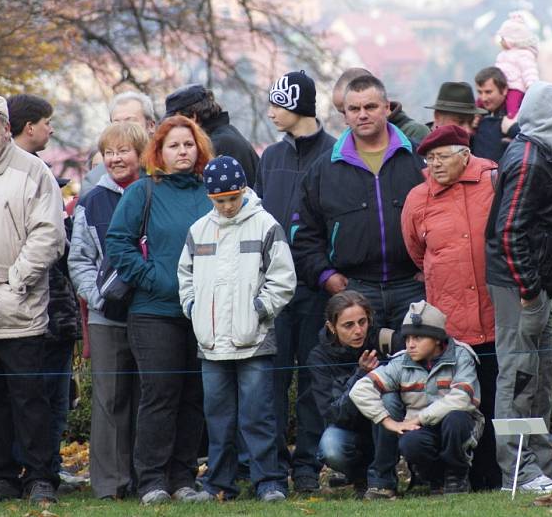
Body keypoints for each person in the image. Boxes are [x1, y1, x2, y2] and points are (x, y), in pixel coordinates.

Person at [105, 115, 213, 504]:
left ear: (198, 148)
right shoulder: (142, 192)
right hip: (154, 311)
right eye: (174, 145)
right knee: (161, 393)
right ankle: (151, 480)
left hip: (202, 313)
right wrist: (154, 278)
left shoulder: (209, 192)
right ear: (159, 152)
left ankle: (184, 478)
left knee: (193, 394)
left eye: (188, 144)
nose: (182, 151)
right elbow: (119, 243)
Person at [0, 93, 65, 504]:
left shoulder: (33, 172)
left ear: (5, 127)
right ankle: (0, 478)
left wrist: (17, 279)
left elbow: (49, 235)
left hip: (17, 308)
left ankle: (41, 477)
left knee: (30, 399)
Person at [178, 156, 295, 502]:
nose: (228, 206)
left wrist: (260, 309)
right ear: (210, 198)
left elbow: (283, 277)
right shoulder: (199, 230)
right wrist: (193, 308)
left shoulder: (265, 225)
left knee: (258, 416)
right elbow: (185, 276)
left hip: (253, 339)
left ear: (243, 190)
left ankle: (268, 481)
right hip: (211, 343)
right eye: (220, 200)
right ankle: (219, 484)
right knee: (218, 419)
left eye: (233, 197)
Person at [485, 82, 552, 494]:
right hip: (520, 288)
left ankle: (542, 465)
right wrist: (528, 289)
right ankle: (518, 471)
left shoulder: (538, 152)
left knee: (539, 377)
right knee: (519, 378)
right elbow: (508, 231)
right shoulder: (529, 159)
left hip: (532, 285)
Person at [401, 125, 499, 490]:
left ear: (464, 154)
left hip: (493, 316)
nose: (434, 165)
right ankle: (450, 475)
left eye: (442, 157)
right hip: (450, 327)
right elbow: (415, 250)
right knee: (453, 407)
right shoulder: (418, 198)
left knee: (492, 399)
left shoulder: (491, 181)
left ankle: (493, 475)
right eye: (429, 158)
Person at [292, 74, 426, 331]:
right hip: (353, 292)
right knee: (361, 370)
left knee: (417, 369)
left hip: (414, 288)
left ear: (387, 108)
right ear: (345, 115)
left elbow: (444, 222)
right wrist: (325, 275)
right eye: (354, 109)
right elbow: (304, 233)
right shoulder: (323, 170)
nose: (362, 114)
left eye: (370, 107)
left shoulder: (419, 160)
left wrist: (431, 271)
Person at [256, 70, 336, 492]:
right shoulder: (270, 157)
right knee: (270, 381)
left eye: (277, 103)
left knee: (312, 381)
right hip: (272, 290)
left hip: (315, 287)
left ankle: (306, 465)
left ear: (296, 105)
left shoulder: (334, 153)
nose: (271, 112)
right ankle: (271, 468)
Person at [68, 121, 148, 499]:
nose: (116, 159)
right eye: (109, 153)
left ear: (140, 153)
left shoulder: (155, 191)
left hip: (152, 313)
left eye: (124, 151)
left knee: (151, 396)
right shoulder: (91, 201)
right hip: (106, 317)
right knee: (110, 399)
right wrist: (98, 297)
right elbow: (79, 259)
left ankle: (148, 479)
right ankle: (109, 485)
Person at [6, 93, 81, 486]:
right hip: (42, 306)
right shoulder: (28, 174)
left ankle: (40, 466)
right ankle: (41, 469)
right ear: (29, 126)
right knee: (47, 396)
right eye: (46, 121)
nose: (51, 129)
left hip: (44, 305)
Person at [350, 301, 484, 495]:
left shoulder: (461, 356)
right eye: (407, 338)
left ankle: (458, 475)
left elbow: (462, 398)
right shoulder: (401, 361)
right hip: (421, 427)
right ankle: (436, 479)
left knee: (456, 420)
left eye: (418, 338)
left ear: (437, 339)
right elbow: (360, 389)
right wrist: (387, 422)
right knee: (409, 442)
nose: (410, 344)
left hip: (457, 424)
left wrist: (420, 418)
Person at [308, 291, 404, 499]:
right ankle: (362, 478)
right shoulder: (319, 356)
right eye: (348, 325)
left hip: (392, 428)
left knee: (388, 399)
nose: (358, 331)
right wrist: (361, 376)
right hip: (350, 429)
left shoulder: (385, 341)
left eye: (362, 322)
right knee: (331, 446)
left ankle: (383, 482)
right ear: (331, 327)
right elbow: (334, 414)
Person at [164, 83, 259, 184]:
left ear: (192, 117)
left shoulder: (217, 144)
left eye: (176, 120)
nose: (173, 127)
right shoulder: (226, 135)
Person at [80, 91, 158, 197]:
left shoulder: (167, 168)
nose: (122, 129)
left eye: (130, 122)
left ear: (151, 126)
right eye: (116, 123)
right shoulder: (96, 178)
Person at [331, 67, 429, 142]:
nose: (346, 121)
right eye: (352, 110)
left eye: (369, 107)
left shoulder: (414, 134)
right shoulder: (348, 142)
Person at [494, 12, 539, 119]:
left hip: (516, 87)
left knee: (512, 105)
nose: (501, 42)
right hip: (501, 86)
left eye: (503, 39)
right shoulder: (502, 55)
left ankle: (512, 120)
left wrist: (531, 86)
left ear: (512, 40)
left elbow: (529, 71)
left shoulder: (524, 54)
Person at [470, 66, 519, 162]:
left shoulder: (518, 115)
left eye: (488, 92)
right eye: (480, 92)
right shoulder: (476, 118)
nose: (483, 98)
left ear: (504, 90)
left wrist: (513, 129)